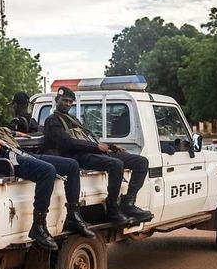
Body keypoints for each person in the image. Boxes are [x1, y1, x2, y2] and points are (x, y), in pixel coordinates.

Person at [0, 84, 95, 251]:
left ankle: (72, 214)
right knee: (47, 170)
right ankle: (39, 226)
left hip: (16, 154)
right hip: (0, 161)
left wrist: (14, 133)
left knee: (71, 165)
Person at [42, 86, 153, 226]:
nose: (68, 104)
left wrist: (111, 147)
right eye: (65, 101)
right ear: (57, 100)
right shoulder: (52, 121)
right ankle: (112, 208)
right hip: (75, 155)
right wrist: (96, 147)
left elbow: (89, 138)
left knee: (141, 162)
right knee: (116, 164)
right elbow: (66, 142)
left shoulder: (73, 119)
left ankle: (128, 203)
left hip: (91, 151)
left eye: (70, 102)